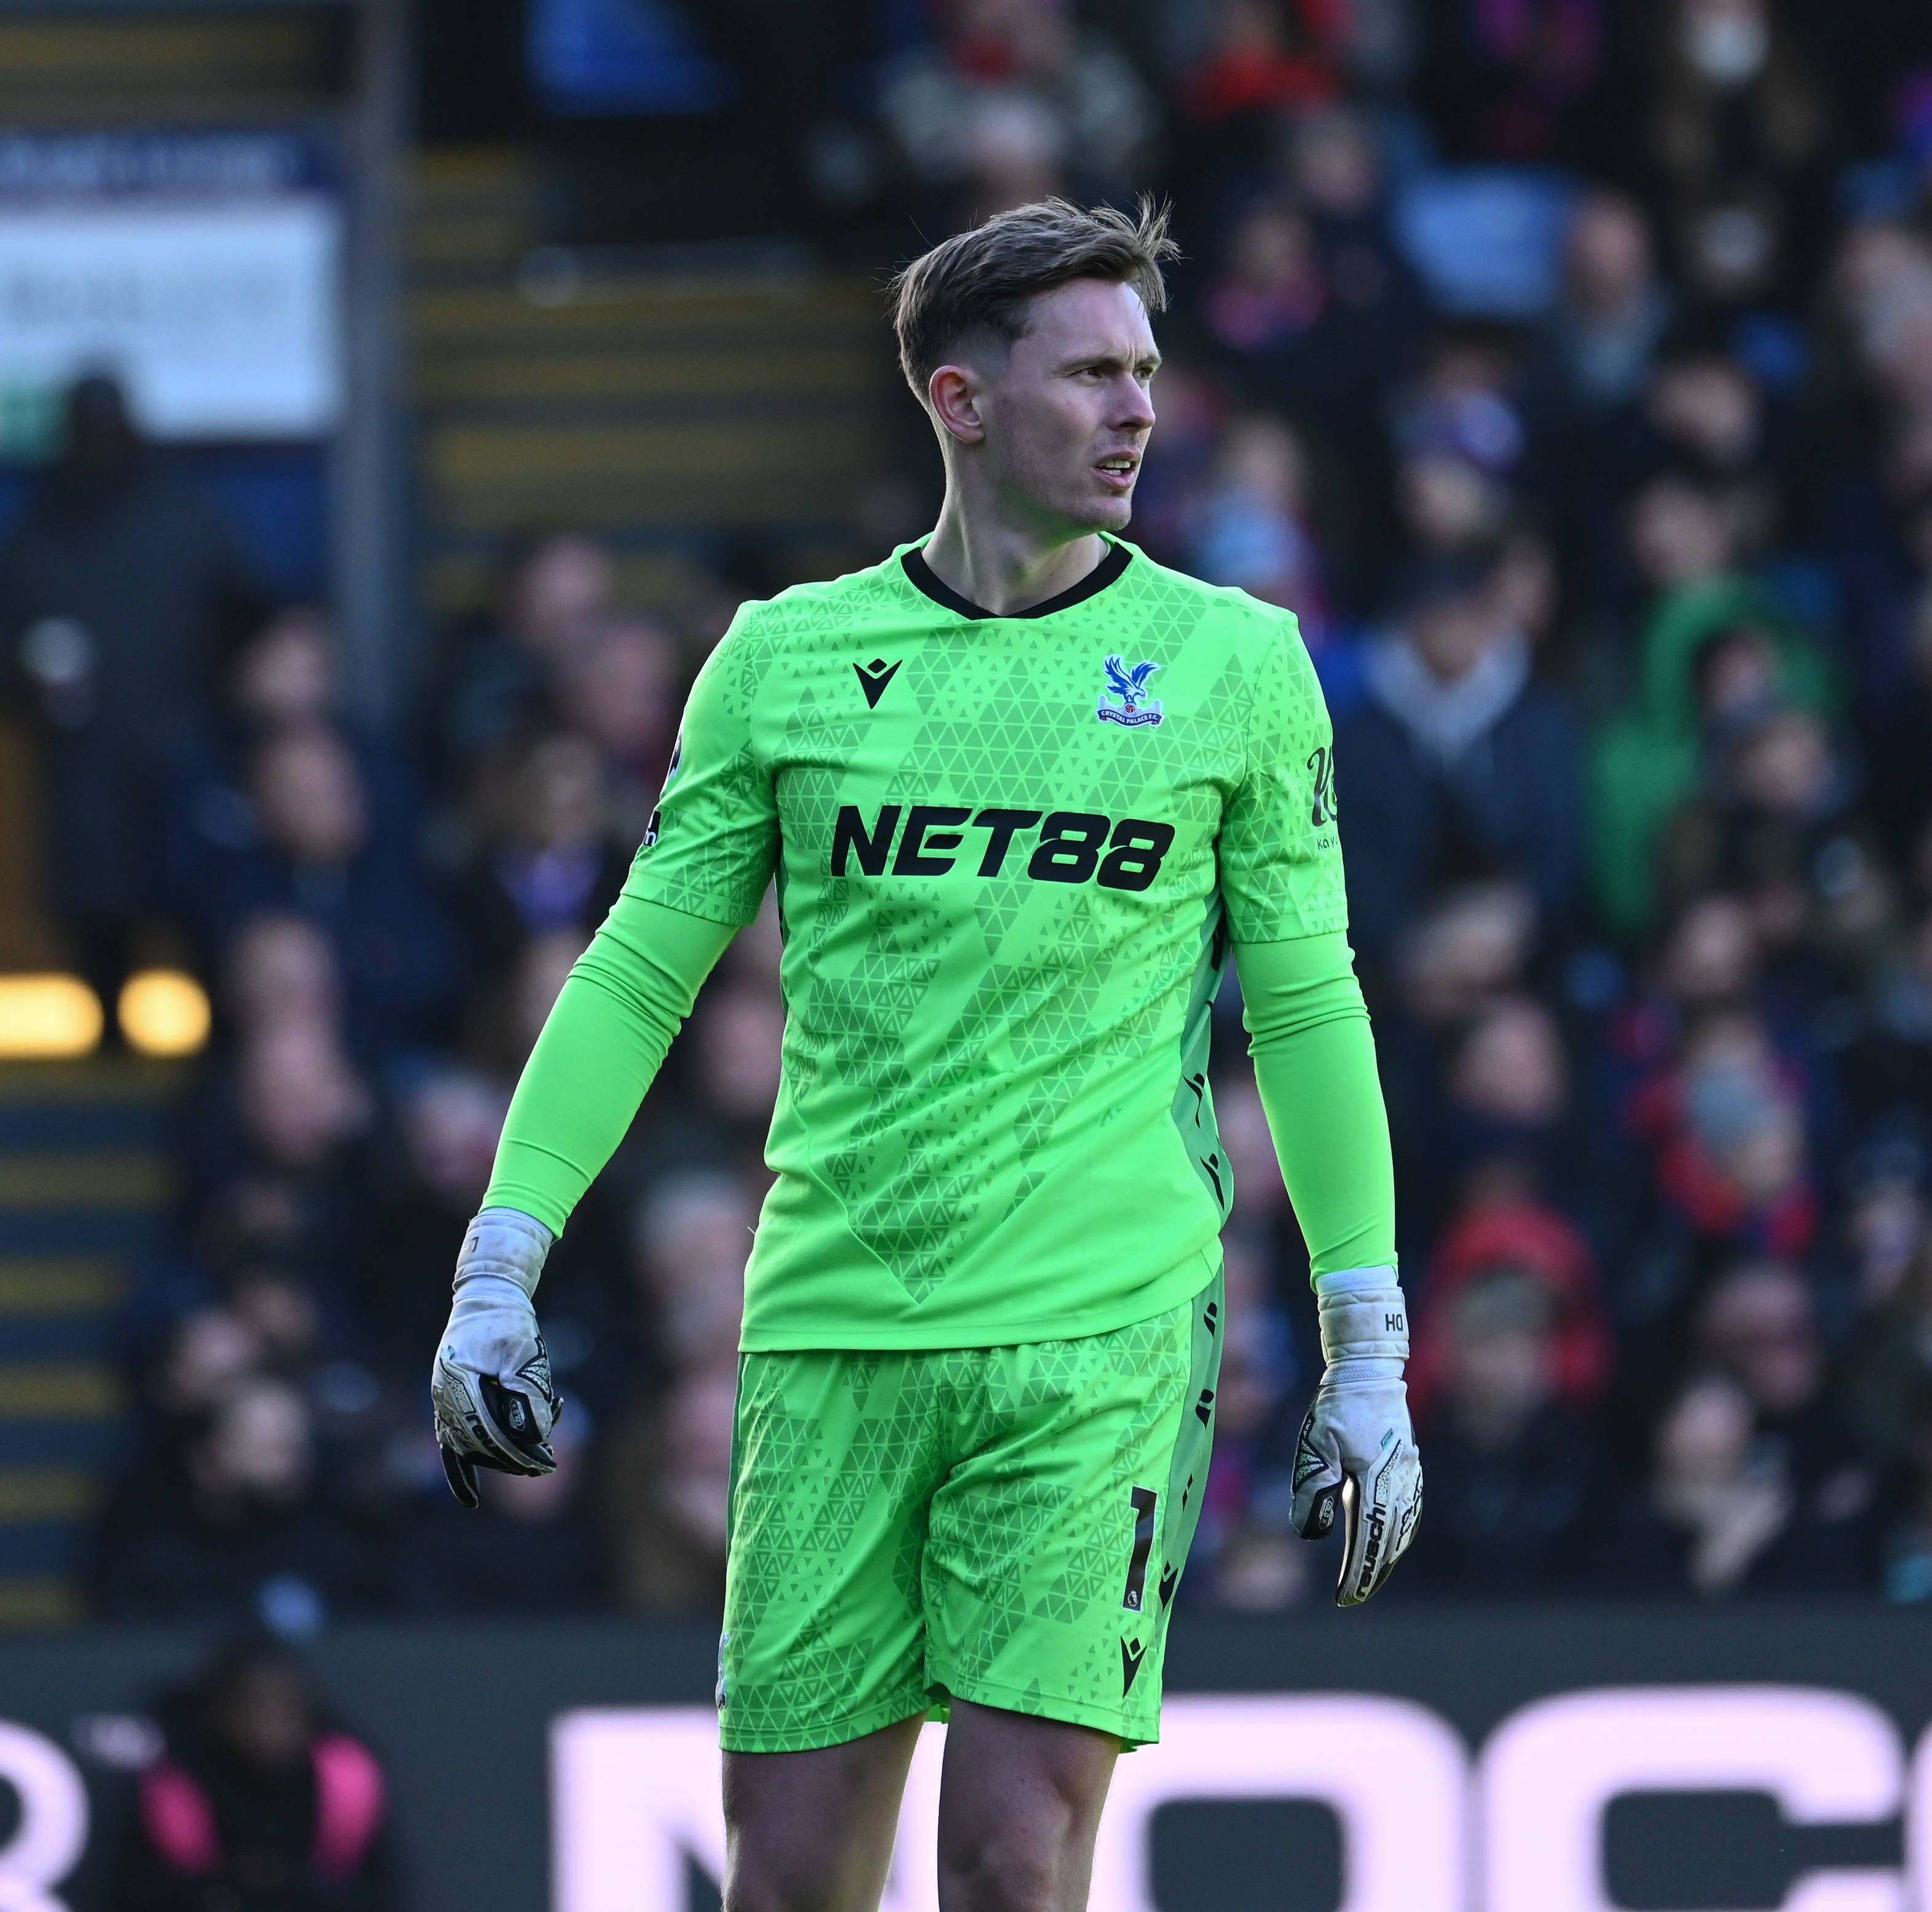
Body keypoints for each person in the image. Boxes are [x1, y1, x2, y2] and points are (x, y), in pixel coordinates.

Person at [428, 199, 1418, 1912]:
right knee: (793, 1881)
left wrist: (1367, 1340)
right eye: (1091, 373)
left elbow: (1313, 1007)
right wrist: (501, 1262)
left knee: (1014, 1861)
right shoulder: (785, 660)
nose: (1136, 412)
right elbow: (639, 976)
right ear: (962, 399)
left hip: (1099, 1330)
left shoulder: (1238, 667)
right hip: (832, 1332)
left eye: (1147, 373)